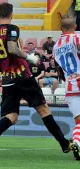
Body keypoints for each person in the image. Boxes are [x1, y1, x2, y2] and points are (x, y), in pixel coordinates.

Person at [0, 2, 72, 158]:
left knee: (12, 116)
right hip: (23, 76)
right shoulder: (12, 28)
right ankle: (64, 144)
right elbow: (11, 48)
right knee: (44, 110)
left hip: (7, 79)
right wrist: (30, 57)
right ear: (11, 15)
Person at [53, 15, 80, 160]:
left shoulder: (56, 46)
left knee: (79, 122)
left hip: (70, 85)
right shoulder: (77, 38)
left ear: (61, 28)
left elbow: (59, 71)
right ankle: (77, 142)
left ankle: (77, 143)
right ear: (75, 27)